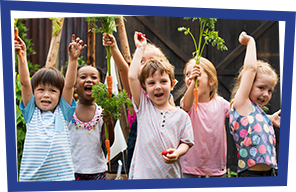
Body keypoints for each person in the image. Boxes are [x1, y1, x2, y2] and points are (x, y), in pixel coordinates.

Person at [14, 34, 87, 181]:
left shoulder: (63, 112)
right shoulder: (31, 112)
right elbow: (25, 83)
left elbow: (69, 85)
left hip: (61, 179)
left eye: (53, 91)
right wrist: (22, 56)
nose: (46, 95)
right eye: (41, 90)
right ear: (34, 93)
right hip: (32, 180)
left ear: (60, 95)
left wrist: (73, 60)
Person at [102, 32, 175, 176]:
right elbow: (124, 69)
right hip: (138, 141)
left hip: (160, 143)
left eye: (152, 60)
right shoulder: (135, 89)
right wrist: (114, 47)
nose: (147, 63)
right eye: (141, 61)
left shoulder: (167, 94)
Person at [127, 32, 194, 179]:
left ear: (172, 84)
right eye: (151, 83)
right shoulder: (143, 107)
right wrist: (140, 48)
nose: (157, 87)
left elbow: (186, 142)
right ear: (144, 88)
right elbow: (132, 76)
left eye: (163, 81)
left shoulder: (181, 116)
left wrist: (177, 152)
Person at [229, 31, 280, 177]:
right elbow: (250, 69)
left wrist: (268, 118)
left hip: (270, 173)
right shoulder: (241, 103)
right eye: (261, 88)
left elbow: (250, 125)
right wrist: (250, 42)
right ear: (247, 83)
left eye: (270, 90)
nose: (266, 94)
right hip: (251, 175)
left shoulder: (255, 112)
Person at [180, 57, 230, 178]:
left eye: (197, 74)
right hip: (190, 168)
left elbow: (241, 115)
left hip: (216, 169)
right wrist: (193, 82)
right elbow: (186, 104)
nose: (191, 77)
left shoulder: (221, 104)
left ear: (211, 80)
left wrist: (268, 118)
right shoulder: (189, 102)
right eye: (188, 74)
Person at [68, 64, 114, 180]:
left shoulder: (101, 113)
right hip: (72, 170)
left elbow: (107, 142)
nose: (89, 80)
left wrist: (109, 123)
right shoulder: (68, 111)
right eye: (83, 77)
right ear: (74, 85)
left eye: (94, 77)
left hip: (97, 171)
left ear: (101, 85)